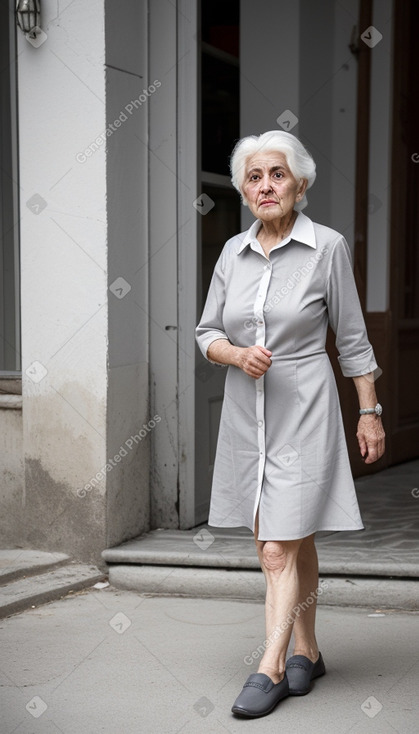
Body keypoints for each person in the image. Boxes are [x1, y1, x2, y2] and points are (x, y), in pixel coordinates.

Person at [195, 130, 385, 718]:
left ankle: (270, 666)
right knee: (282, 540)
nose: (265, 186)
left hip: (304, 408)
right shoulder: (232, 252)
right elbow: (207, 334)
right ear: (244, 191)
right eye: (254, 177)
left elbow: (351, 338)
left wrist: (369, 411)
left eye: (276, 174)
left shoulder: (326, 247)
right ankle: (307, 649)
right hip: (246, 416)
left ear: (299, 184)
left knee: (279, 546)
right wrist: (234, 354)